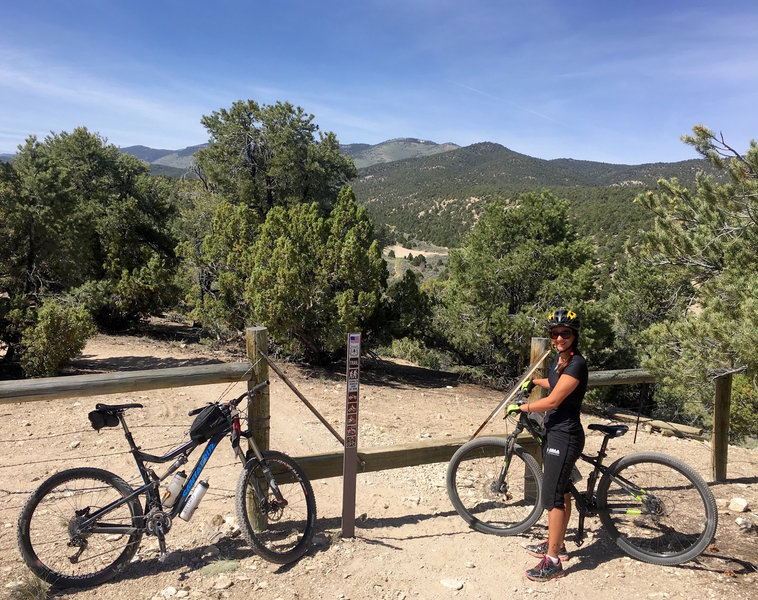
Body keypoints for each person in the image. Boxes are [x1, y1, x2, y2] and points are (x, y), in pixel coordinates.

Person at [506, 308, 588, 582]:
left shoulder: (576, 363)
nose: (560, 338)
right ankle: (558, 544)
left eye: (565, 333)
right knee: (562, 490)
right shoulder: (560, 360)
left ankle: (552, 562)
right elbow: (554, 382)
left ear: (574, 336)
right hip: (557, 433)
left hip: (565, 435)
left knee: (551, 497)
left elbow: (553, 401)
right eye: (555, 334)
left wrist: (523, 406)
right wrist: (533, 381)